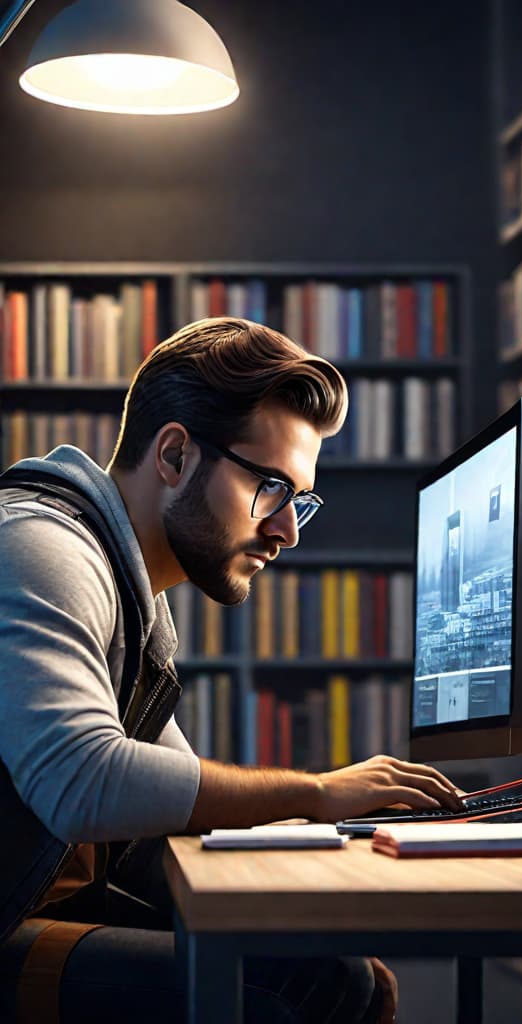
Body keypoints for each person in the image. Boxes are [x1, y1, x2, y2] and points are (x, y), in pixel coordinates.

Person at [0, 317, 463, 1023]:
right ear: (176, 455)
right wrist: (317, 792)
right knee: (263, 1004)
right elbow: (84, 780)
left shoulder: (139, 605)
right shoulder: (41, 547)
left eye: (299, 498)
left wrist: (341, 847)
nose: (288, 530)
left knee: (342, 979)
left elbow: (171, 811)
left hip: (33, 909)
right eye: (272, 488)